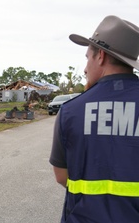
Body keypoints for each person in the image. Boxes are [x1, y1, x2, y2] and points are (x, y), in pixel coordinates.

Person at [50, 15, 139, 222]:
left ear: (101, 56)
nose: (85, 68)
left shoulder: (70, 111)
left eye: (87, 58)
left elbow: (61, 176)